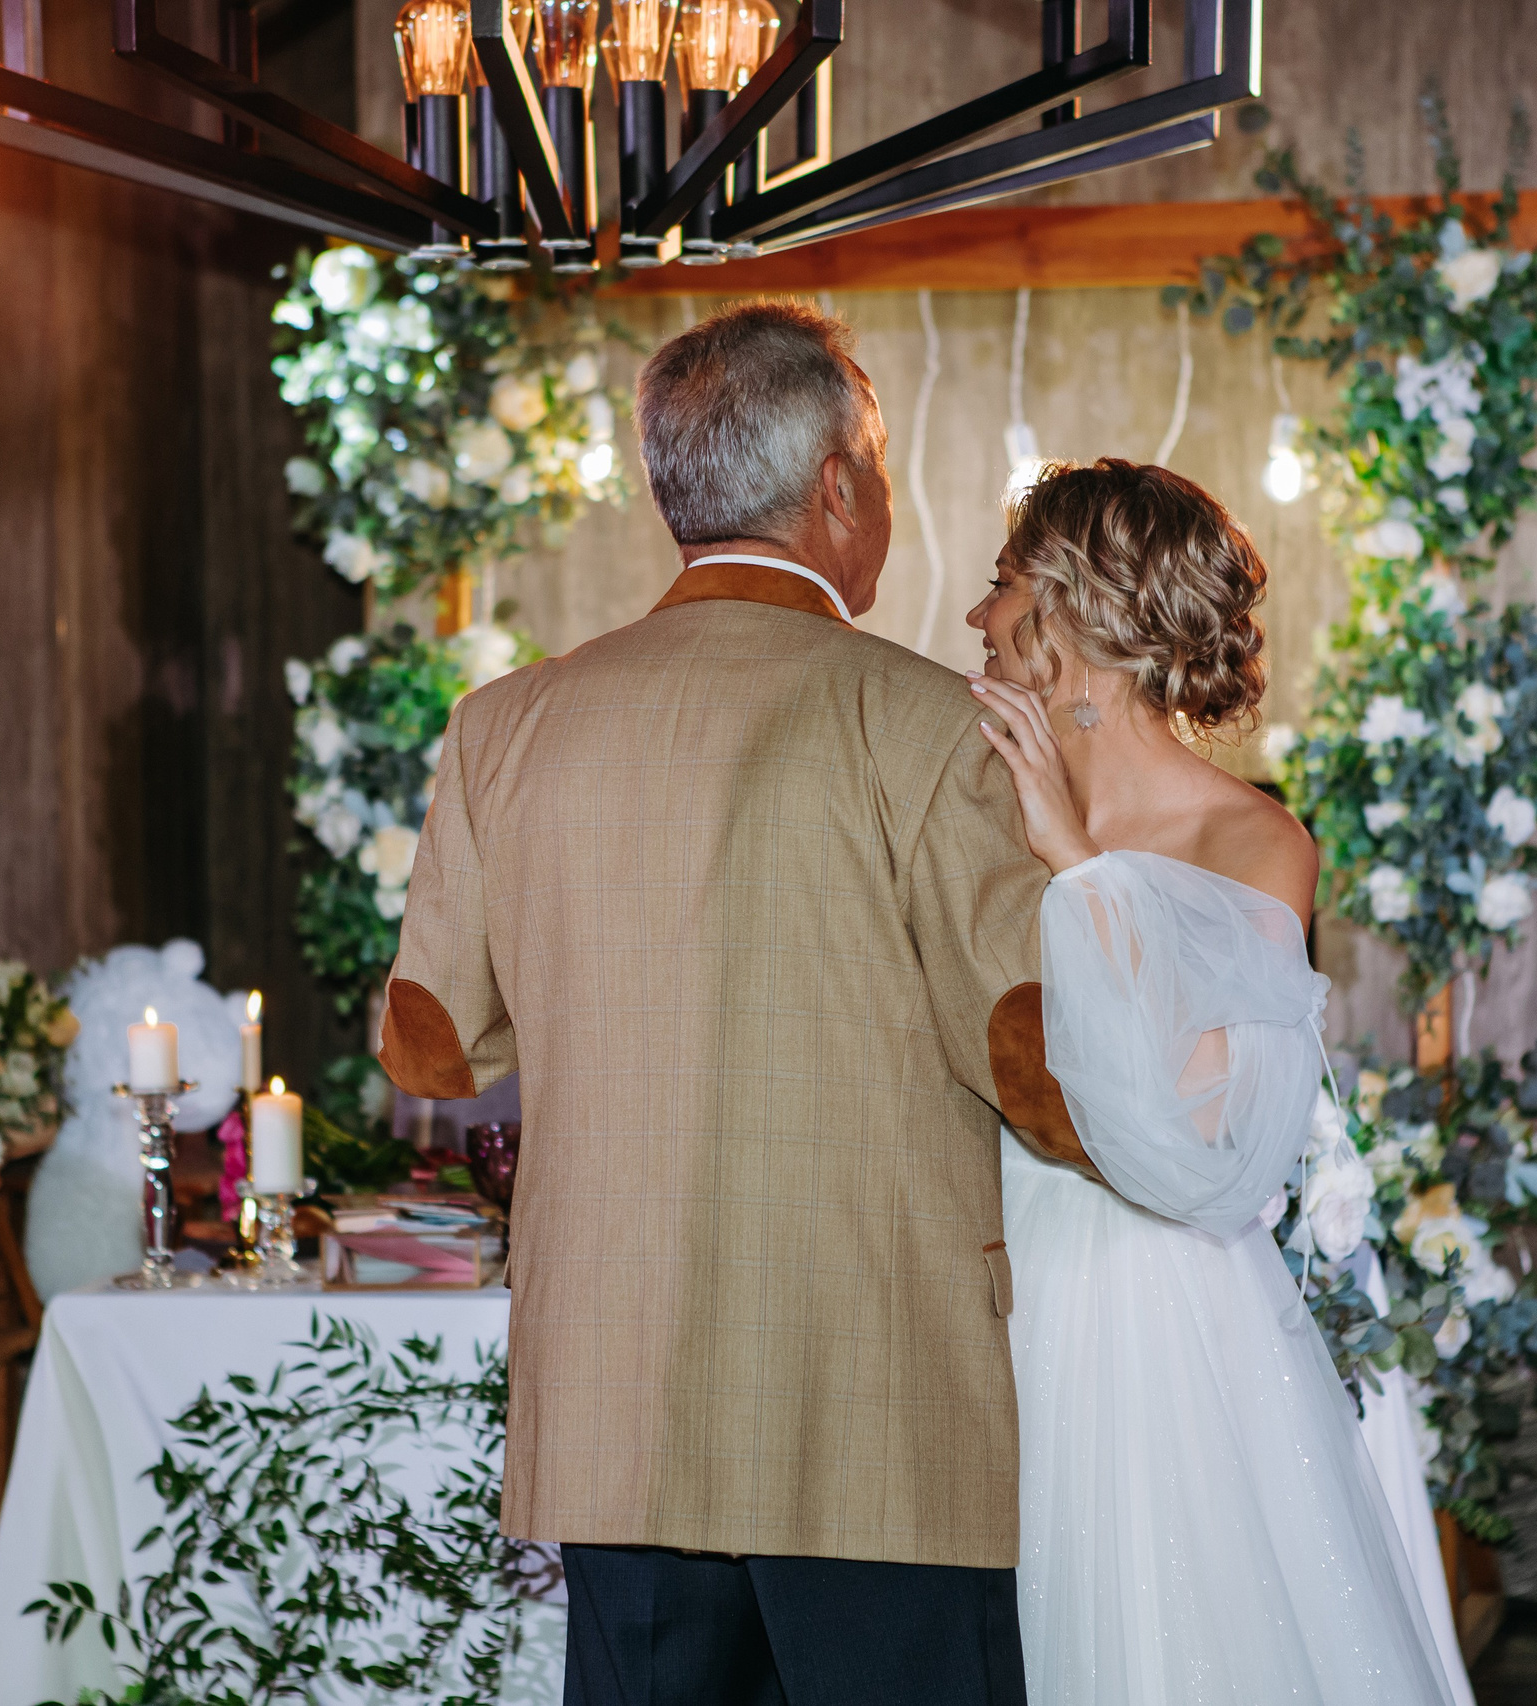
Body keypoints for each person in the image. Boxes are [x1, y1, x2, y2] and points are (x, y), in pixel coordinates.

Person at [379, 302, 1076, 1706]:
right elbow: (1032, 1060)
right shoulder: (934, 720)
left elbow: (433, 1041)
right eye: (876, 466)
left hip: (617, 1403)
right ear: (835, 490)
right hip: (877, 1403)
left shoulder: (505, 725)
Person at [965, 460, 1461, 1706]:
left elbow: (1200, 1137)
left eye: (1000, 584)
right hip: (977, 1291)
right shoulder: (961, 809)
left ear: (1068, 613)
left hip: (1148, 1313)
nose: (976, 618)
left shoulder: (1254, 841)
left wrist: (1076, 868)